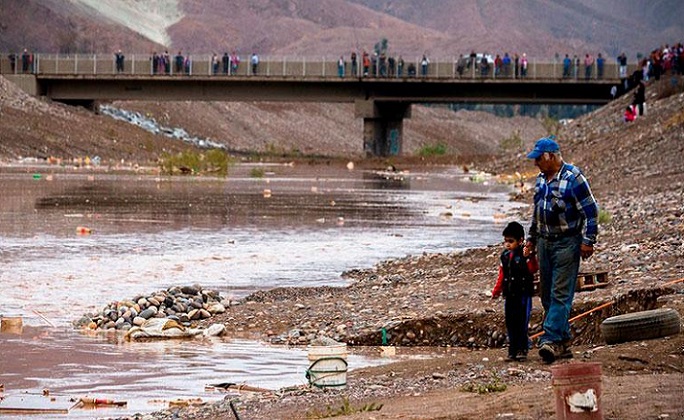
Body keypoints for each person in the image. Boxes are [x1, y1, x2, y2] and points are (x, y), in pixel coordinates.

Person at [525, 136, 599, 364]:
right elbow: (537, 212)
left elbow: (591, 210)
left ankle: (549, 339)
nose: (536, 163)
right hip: (544, 243)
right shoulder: (540, 180)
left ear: (551, 157)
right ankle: (564, 342)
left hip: (567, 243)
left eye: (539, 158)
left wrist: (589, 240)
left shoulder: (574, 178)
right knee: (547, 295)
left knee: (560, 294)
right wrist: (531, 240)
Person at [491, 222, 538, 362]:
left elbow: (533, 269)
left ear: (520, 240)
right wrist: (497, 290)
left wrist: (529, 256)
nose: (507, 244)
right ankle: (512, 351)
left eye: (511, 241)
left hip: (523, 294)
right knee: (510, 322)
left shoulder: (525, 254)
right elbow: (502, 274)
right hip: (510, 294)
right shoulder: (505, 256)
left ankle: (522, 349)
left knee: (522, 322)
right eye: (506, 241)